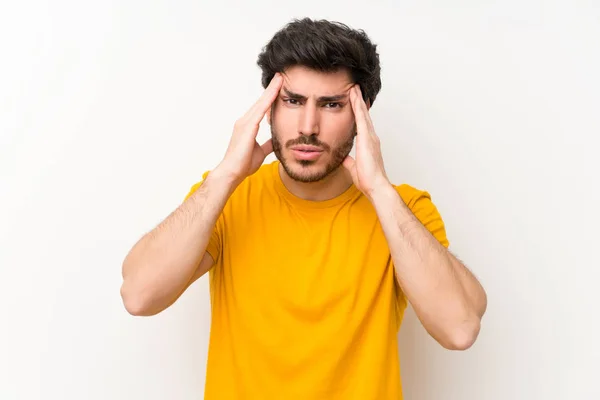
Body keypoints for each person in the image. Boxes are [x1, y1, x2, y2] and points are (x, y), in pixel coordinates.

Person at [120, 17, 487, 400]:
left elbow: (459, 328)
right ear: (268, 108)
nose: (308, 126)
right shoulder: (227, 198)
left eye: (332, 105)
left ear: (362, 116)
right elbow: (139, 295)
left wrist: (378, 189)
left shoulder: (402, 209)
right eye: (292, 101)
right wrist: (226, 174)